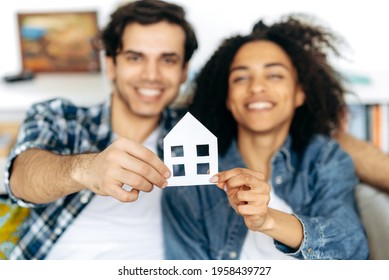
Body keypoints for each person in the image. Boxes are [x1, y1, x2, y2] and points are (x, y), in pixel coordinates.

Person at [162, 14, 369, 260]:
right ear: (228, 98)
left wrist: (267, 220)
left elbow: (352, 246)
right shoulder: (191, 176)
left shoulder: (324, 159)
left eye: (274, 75)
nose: (257, 87)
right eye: (241, 77)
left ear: (299, 93)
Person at [4, 0, 197, 259]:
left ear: (184, 71)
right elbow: (20, 181)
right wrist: (86, 169)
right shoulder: (60, 117)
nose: (152, 74)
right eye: (135, 57)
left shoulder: (197, 131)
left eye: (168, 60)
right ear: (110, 64)